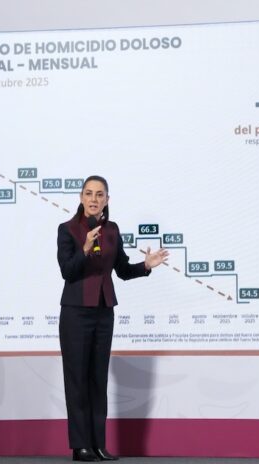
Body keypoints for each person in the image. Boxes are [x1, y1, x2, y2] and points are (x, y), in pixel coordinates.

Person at [57, 175, 168, 462]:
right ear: (81, 198)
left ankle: (98, 444)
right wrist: (84, 248)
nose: (94, 199)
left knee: (98, 379)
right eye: (89, 193)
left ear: (107, 199)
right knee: (77, 380)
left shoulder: (112, 230)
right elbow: (68, 271)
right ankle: (80, 446)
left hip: (104, 311)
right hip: (75, 312)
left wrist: (146, 266)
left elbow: (122, 270)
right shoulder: (67, 229)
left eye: (99, 194)